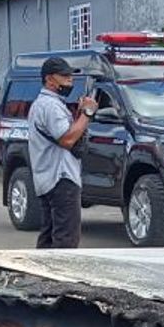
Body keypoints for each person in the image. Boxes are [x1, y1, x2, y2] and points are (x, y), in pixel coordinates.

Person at [28, 57, 97, 249]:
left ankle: (39, 276)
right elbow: (67, 139)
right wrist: (87, 114)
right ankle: (57, 278)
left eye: (71, 75)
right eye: (64, 76)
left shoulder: (42, 104)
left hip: (47, 177)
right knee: (65, 239)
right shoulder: (50, 106)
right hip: (61, 178)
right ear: (50, 79)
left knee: (49, 235)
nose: (70, 80)